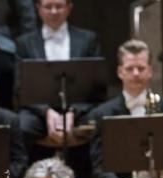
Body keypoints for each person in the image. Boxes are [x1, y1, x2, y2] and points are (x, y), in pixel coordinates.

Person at [89, 39, 163, 178]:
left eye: (141, 68)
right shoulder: (103, 113)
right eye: (130, 68)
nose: (136, 74)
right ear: (120, 72)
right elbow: (100, 166)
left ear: (150, 71)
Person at [15, 0, 101, 151]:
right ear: (38, 9)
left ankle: (97, 174)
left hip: (79, 110)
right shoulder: (24, 43)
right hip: (39, 113)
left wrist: (72, 112)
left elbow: (95, 85)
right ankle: (22, 174)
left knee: (99, 123)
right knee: (20, 127)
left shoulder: (88, 39)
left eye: (59, 6)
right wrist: (46, 112)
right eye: (48, 7)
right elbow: (20, 87)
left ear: (69, 8)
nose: (54, 11)